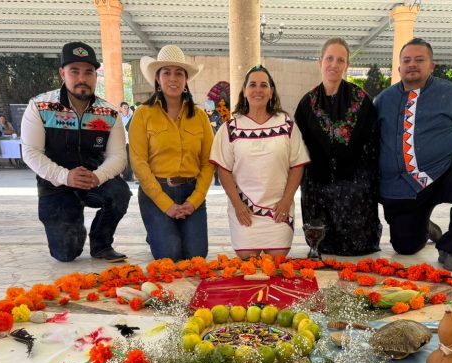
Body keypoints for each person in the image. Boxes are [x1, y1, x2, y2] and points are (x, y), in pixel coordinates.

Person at [375, 38, 452, 272]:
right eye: (406, 60)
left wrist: (441, 150)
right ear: (399, 67)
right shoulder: (383, 100)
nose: (412, 65)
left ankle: (451, 248)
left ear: (432, 65)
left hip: (445, 173)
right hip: (401, 186)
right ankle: (425, 227)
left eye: (419, 60)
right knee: (405, 247)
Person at [21, 41, 130, 263]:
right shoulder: (41, 106)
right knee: (66, 254)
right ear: (62, 73)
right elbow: (31, 152)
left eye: (88, 72)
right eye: (75, 71)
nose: (82, 78)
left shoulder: (108, 112)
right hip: (56, 185)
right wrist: (65, 176)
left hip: (93, 180)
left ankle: (101, 244)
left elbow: (118, 156)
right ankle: (71, 219)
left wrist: (98, 176)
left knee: (120, 192)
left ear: (95, 75)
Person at [210, 65, 310, 258]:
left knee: (277, 262)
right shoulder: (230, 128)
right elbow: (224, 170)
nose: (258, 90)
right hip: (245, 211)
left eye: (264, 85)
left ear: (271, 92)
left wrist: (287, 200)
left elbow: (297, 166)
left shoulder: (287, 125)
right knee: (247, 262)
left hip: (279, 210)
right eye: (252, 85)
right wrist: (238, 205)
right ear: (244, 91)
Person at [295, 37, 381, 256]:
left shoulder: (361, 100)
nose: (334, 64)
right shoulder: (307, 103)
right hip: (318, 185)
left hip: (353, 184)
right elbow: (299, 146)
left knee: (355, 249)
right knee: (321, 247)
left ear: (347, 65)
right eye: (329, 58)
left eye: (340, 60)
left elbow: (372, 144)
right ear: (320, 61)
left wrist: (366, 181)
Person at [129, 45, 214, 260]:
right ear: (157, 78)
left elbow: (208, 162)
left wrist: (194, 201)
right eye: (166, 72)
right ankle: (158, 231)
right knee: (170, 255)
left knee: (197, 257)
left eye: (179, 73)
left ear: (186, 79)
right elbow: (138, 162)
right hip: (157, 191)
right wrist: (165, 205)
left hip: (191, 190)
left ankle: (165, 231)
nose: (173, 78)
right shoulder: (143, 114)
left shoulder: (201, 117)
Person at [119, 101, 133, 181]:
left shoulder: (132, 116)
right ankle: (124, 175)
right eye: (124, 108)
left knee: (130, 159)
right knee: (123, 158)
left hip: (130, 141)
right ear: (121, 108)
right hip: (121, 141)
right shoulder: (118, 117)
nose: (126, 109)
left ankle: (130, 175)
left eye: (127, 108)